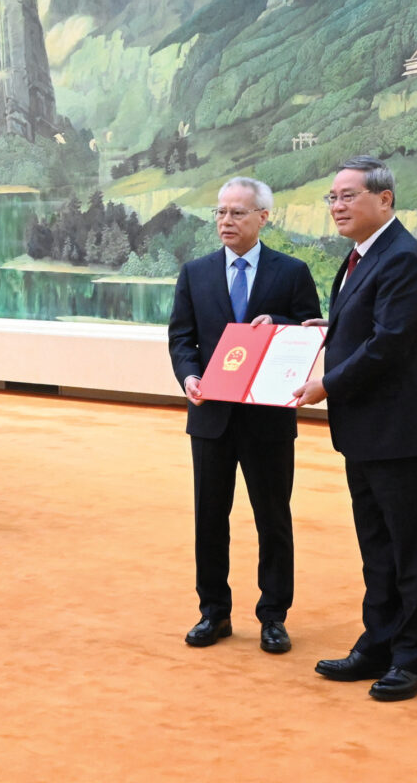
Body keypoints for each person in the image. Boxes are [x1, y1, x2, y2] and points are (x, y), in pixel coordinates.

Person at [294, 156, 417, 702]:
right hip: (366, 432)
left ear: (384, 200)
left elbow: (389, 344)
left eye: (347, 196)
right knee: (378, 548)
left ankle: (413, 660)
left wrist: (326, 384)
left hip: (404, 432)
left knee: (415, 551)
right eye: (332, 197)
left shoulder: (403, 257)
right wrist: (330, 327)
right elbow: (369, 325)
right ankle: (379, 644)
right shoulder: (362, 256)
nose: (337, 206)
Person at [169, 176, 321, 655]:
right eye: (220, 212)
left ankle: (273, 617)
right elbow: (181, 338)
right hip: (211, 417)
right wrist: (189, 377)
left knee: (272, 518)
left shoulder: (291, 272)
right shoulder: (195, 272)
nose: (226, 221)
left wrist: (277, 325)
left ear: (263, 217)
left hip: (268, 421)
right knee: (209, 518)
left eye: (237, 212)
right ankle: (213, 613)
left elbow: (311, 329)